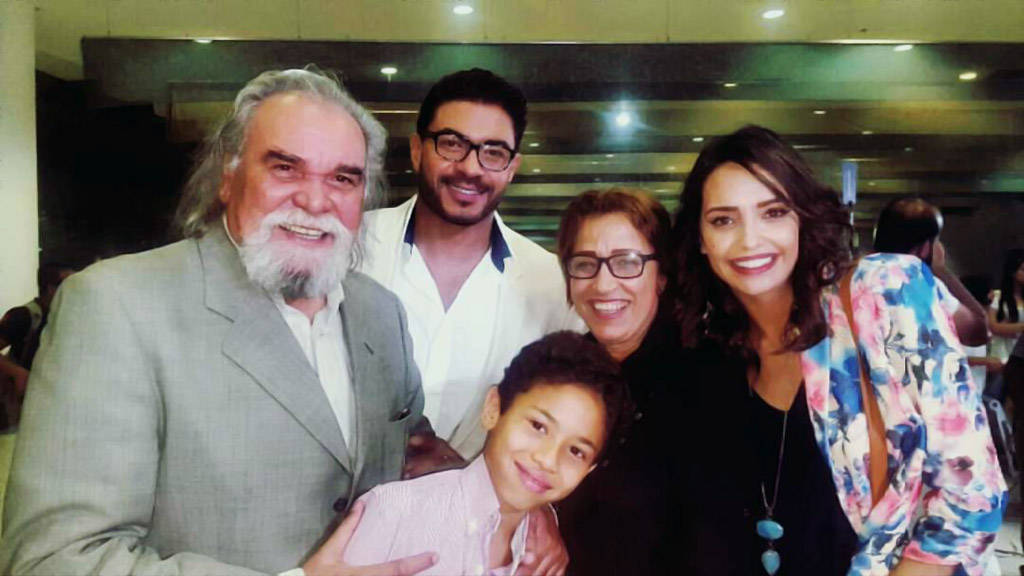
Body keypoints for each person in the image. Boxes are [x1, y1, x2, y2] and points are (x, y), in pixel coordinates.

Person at [0, 68, 440, 576]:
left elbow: (414, 457)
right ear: (228, 177)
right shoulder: (116, 306)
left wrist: (500, 497)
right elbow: (51, 559)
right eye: (285, 168)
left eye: (343, 178)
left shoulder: (381, 313)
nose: (315, 201)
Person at [672, 125, 1006, 576]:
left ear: (803, 218)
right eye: (723, 220)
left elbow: (971, 492)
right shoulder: (718, 349)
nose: (750, 240)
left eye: (773, 212)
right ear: (699, 238)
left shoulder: (881, 292)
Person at [361, 69, 581, 465]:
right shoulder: (351, 247)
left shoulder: (551, 285)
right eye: (452, 144)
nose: (471, 168)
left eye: (493, 152)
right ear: (417, 150)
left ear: (512, 167)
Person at [552, 187, 749, 576]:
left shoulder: (713, 378)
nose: (603, 284)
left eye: (627, 263)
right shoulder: (558, 371)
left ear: (662, 276)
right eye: (585, 264)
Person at [343, 331, 629, 576]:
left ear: (589, 469)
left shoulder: (543, 555)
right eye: (538, 426)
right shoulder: (393, 512)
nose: (548, 459)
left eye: (576, 451)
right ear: (494, 409)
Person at [873, 197, 991, 346]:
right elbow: (979, 332)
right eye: (936, 240)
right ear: (925, 248)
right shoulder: (924, 285)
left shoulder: (853, 277)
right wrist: (940, 269)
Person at [0, 263, 73, 425]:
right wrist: (17, 372)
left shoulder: (63, 317)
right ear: (50, 288)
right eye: (67, 286)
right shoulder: (24, 315)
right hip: (20, 402)